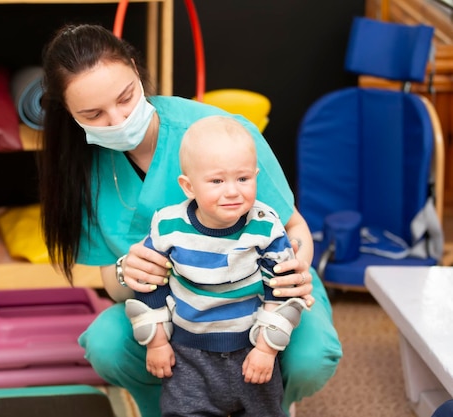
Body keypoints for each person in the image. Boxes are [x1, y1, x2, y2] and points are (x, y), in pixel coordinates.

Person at [38, 23, 342, 417]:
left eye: (126, 97)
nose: (117, 119)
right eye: (93, 114)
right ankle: (165, 407)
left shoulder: (217, 133)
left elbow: (294, 226)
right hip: (177, 308)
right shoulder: (81, 168)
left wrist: (293, 267)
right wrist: (128, 271)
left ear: (135, 67)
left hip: (260, 292)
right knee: (106, 343)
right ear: (69, 113)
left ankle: (272, 403)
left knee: (312, 356)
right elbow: (114, 286)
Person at [125, 115, 309, 416]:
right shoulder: (168, 226)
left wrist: (266, 348)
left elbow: (281, 291)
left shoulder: (265, 226)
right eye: (217, 181)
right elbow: (150, 282)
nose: (233, 191)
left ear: (255, 176)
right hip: (188, 354)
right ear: (188, 186)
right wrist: (156, 342)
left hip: (251, 347)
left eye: (243, 179)